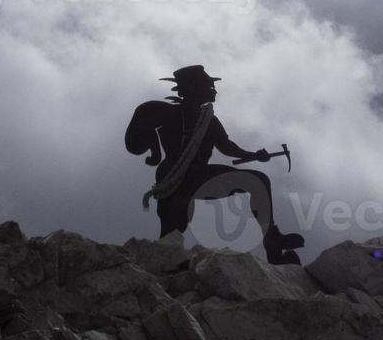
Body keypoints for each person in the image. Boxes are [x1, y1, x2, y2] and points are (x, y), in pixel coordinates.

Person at [124, 65, 305, 264]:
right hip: (175, 180)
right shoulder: (168, 114)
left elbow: (226, 146)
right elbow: (138, 137)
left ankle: (273, 242)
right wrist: (155, 152)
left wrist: (253, 154)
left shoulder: (209, 120)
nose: (214, 90)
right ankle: (165, 265)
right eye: (208, 86)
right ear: (193, 88)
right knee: (171, 231)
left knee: (258, 181)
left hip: (202, 177)